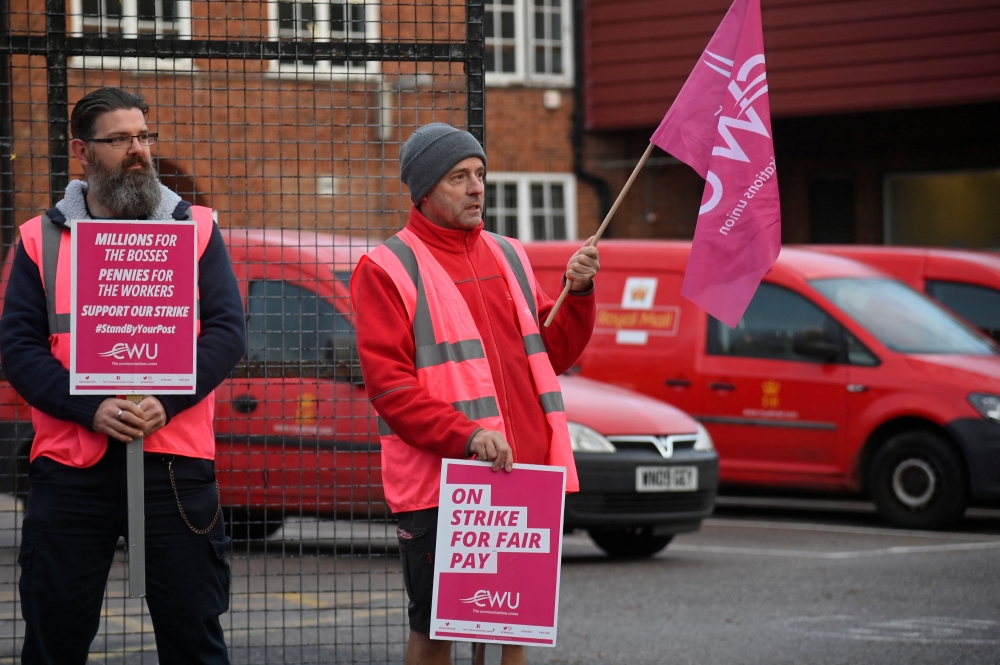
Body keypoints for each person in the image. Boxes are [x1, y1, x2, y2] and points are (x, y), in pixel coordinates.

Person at [0, 87, 246, 664]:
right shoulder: (40, 239)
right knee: (54, 639)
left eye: (143, 136)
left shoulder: (198, 230)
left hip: (174, 464)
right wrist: (90, 407)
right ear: (83, 152)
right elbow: (18, 348)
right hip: (70, 469)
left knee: (194, 641)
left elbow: (226, 333)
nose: (138, 150)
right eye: (120, 140)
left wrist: (166, 399)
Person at [351, 123, 599, 665]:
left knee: (516, 629)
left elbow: (550, 354)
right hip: (440, 481)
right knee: (435, 631)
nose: (476, 188)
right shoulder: (386, 268)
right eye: (458, 177)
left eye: (480, 174)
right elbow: (391, 388)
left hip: (522, 470)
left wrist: (578, 295)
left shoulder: (509, 254)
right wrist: (467, 436)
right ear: (422, 191)